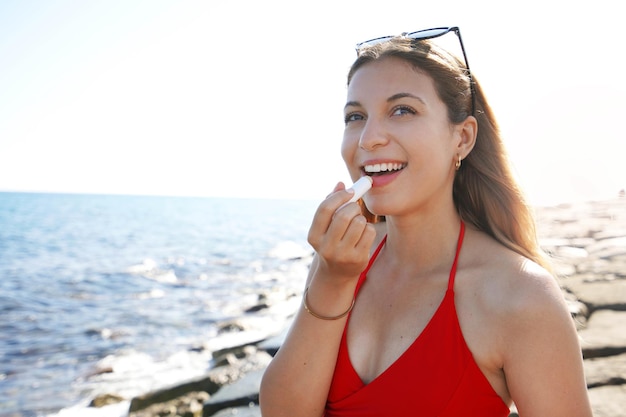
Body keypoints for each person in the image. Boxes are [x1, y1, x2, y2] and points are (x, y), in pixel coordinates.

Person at [259, 27, 592, 416]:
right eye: (355, 116)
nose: (368, 138)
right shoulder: (340, 264)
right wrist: (333, 281)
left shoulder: (521, 296)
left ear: (463, 139)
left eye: (402, 110)